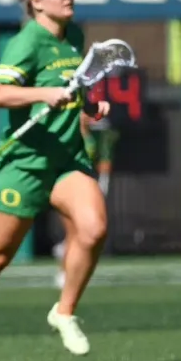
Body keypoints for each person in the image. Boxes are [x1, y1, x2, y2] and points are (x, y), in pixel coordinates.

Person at [0, 0, 111, 361]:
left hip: (66, 159)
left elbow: (74, 90)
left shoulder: (74, 35)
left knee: (93, 229)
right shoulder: (26, 41)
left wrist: (92, 105)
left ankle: (64, 311)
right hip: (23, 163)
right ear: (36, 1)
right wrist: (42, 95)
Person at [52, 110, 118, 281]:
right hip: (67, 186)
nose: (89, 116)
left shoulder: (92, 138)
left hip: (83, 188)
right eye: (84, 113)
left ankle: (73, 270)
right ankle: (63, 273)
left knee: (81, 232)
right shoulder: (68, 136)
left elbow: (100, 162)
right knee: (72, 231)